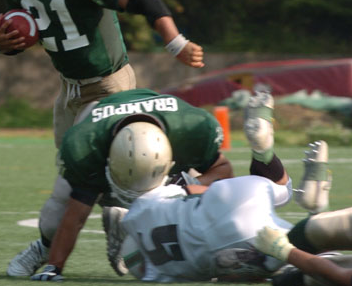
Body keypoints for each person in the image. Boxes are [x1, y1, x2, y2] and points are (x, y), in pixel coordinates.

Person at [0, 0, 205, 277]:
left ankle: (50, 248)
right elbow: (25, 33)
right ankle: (116, 220)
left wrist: (174, 41)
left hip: (108, 86)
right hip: (69, 90)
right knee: (79, 170)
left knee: (73, 183)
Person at [31, 90, 352, 283]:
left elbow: (79, 217)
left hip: (210, 243)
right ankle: (290, 184)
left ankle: (303, 205)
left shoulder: (138, 219)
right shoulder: (188, 129)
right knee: (283, 204)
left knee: (293, 244)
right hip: (226, 220)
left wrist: (54, 267)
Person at [22, 87, 234, 281]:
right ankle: (42, 248)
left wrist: (189, 185)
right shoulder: (86, 145)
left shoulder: (192, 128)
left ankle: (215, 253)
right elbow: (76, 214)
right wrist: (54, 266)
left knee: (198, 201)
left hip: (170, 139)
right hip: (99, 123)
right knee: (54, 216)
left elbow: (223, 171)